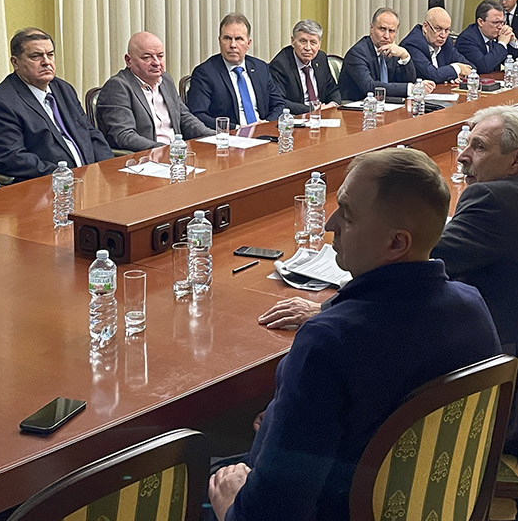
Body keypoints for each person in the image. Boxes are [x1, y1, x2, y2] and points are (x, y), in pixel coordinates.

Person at [259, 106, 518, 455]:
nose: (462, 156)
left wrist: (325, 311)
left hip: (511, 412)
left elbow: (416, 258)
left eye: (478, 147)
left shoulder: (492, 199)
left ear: (517, 159)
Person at [209, 149, 501, 521]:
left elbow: (274, 513)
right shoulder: (472, 307)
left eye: (347, 214)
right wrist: (285, 419)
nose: (330, 224)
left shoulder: (327, 342)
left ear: (396, 243)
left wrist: (231, 506)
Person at [0, 28, 113, 181]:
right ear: (15, 62)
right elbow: (14, 159)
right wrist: (66, 176)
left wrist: (109, 169)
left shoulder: (63, 89)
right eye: (36, 56)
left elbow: (91, 133)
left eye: (50, 54)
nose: (46, 62)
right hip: (47, 185)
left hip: (88, 179)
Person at [95, 31, 211, 151]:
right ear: (129, 61)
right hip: (146, 158)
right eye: (147, 57)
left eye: (160, 56)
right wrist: (166, 149)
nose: (156, 63)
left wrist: (214, 136)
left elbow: (184, 117)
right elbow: (124, 136)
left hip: (177, 154)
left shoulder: (165, 80)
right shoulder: (117, 87)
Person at [187, 13, 287, 128]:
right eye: (227, 38)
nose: (233, 45)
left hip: (264, 132)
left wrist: (266, 124)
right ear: (219, 41)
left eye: (239, 39)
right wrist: (237, 128)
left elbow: (279, 105)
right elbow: (198, 115)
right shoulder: (205, 73)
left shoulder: (260, 68)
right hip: (230, 135)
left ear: (248, 43)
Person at [337, 7, 432, 101]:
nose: (386, 36)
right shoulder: (357, 53)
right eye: (382, 29)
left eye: (391, 31)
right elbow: (370, 87)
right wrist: (410, 88)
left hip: (387, 105)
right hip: (358, 106)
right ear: (372, 28)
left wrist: (405, 56)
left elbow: (407, 82)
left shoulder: (392, 51)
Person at [268, 19, 341, 114]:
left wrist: (332, 104)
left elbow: (332, 89)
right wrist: (313, 109)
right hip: (297, 116)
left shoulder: (321, 58)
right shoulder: (280, 64)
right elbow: (280, 101)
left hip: (323, 114)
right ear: (293, 41)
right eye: (303, 41)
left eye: (313, 42)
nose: (308, 48)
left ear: (319, 44)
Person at [399, 7, 472, 84]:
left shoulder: (446, 42)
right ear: (425, 27)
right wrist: (457, 69)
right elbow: (433, 75)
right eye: (438, 29)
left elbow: (471, 68)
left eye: (447, 30)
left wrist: (453, 75)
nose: (443, 35)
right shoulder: (412, 44)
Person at [455, 0, 518, 73]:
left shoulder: (494, 35)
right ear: (480, 22)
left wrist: (512, 41)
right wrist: (502, 44)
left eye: (502, 22)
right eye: (496, 22)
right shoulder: (467, 39)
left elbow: (512, 62)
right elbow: (483, 67)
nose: (500, 27)